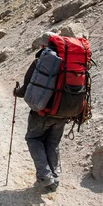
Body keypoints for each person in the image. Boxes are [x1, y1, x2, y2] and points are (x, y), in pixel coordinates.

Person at [14, 31, 66, 192]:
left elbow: (26, 88)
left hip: (42, 112)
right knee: (52, 142)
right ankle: (53, 179)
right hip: (63, 112)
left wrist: (16, 91)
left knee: (34, 139)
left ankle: (45, 176)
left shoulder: (42, 62)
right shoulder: (68, 62)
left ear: (44, 45)